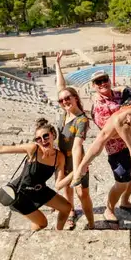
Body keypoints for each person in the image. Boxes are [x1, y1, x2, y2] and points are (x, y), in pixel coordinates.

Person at [63, 67, 131, 222]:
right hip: (117, 150)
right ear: (93, 86)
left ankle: (125, 201)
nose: (102, 83)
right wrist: (127, 123)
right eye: (98, 82)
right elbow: (108, 134)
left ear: (109, 80)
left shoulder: (121, 94)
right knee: (121, 183)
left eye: (104, 80)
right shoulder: (98, 106)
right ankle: (109, 208)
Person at [0, 118, 71, 231]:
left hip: (39, 190)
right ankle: (31, 238)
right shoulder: (33, 149)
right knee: (42, 223)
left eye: (46, 136)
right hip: (21, 193)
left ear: (53, 134)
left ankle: (59, 232)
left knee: (66, 208)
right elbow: (1, 149)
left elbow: (58, 185)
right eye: (38, 139)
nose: (43, 140)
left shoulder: (59, 157)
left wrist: (76, 172)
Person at [71, 67, 131, 188]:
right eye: (98, 82)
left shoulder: (128, 93)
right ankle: (80, 169)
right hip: (118, 147)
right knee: (103, 135)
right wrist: (127, 128)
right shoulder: (120, 93)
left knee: (119, 120)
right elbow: (109, 134)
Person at [53, 53, 95, 229]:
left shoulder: (82, 120)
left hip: (76, 160)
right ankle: (70, 212)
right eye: (61, 100)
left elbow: (77, 146)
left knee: (81, 192)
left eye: (67, 98)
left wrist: (78, 171)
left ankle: (91, 222)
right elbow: (61, 87)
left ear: (75, 98)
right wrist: (57, 64)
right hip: (61, 159)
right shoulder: (64, 113)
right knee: (66, 190)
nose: (64, 102)